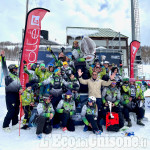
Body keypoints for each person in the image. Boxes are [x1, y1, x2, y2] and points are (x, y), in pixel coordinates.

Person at [1, 50, 23, 132]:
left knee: (16, 110)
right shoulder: (8, 75)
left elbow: (19, 85)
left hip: (16, 95)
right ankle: (5, 126)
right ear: (12, 69)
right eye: (15, 69)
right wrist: (3, 57)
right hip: (10, 95)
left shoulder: (17, 77)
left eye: (17, 69)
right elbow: (3, 66)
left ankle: (15, 124)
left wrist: (21, 89)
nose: (17, 70)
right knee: (11, 110)